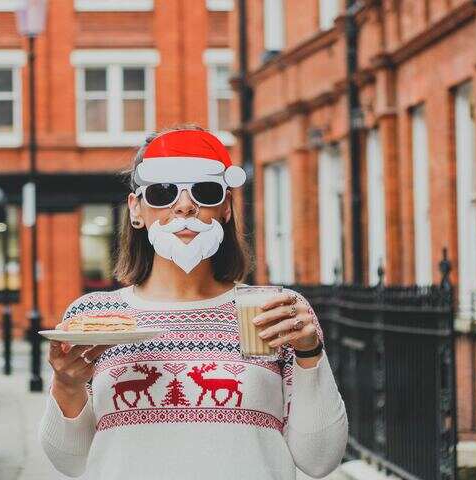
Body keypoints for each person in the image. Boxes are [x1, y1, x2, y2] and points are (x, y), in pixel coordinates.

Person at [39, 126, 348, 479]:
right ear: (136, 209)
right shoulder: (95, 318)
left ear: (226, 209)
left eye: (204, 191)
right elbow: (71, 462)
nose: (185, 206)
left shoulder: (275, 312)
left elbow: (320, 459)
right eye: (162, 193)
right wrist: (66, 383)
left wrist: (310, 353)